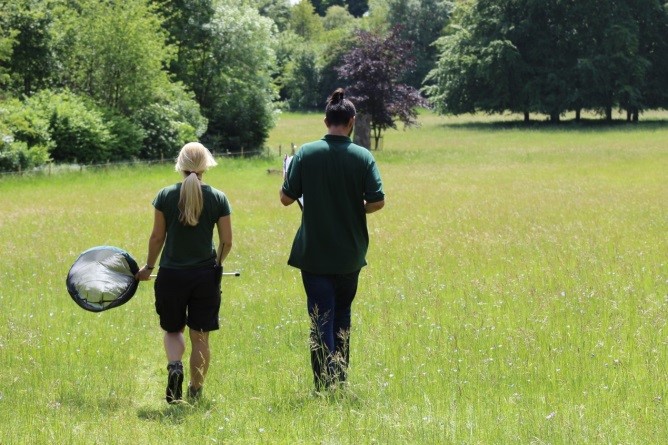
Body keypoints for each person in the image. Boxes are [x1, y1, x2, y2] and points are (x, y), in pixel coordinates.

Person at [280, 88, 385, 391]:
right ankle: (340, 380)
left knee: (319, 319)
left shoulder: (306, 153)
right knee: (343, 317)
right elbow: (377, 201)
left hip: (314, 253)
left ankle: (323, 384)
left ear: (325, 120)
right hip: (350, 253)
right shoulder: (363, 156)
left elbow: (286, 199)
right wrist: (354, 208)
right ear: (351, 121)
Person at [136, 142, 233, 403]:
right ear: (205, 165)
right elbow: (227, 241)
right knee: (200, 336)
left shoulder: (165, 195)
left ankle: (175, 365)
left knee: (173, 330)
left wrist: (149, 267)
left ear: (180, 165)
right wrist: (217, 264)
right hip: (205, 277)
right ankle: (195, 390)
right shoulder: (218, 197)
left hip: (170, 276)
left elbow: (157, 237)